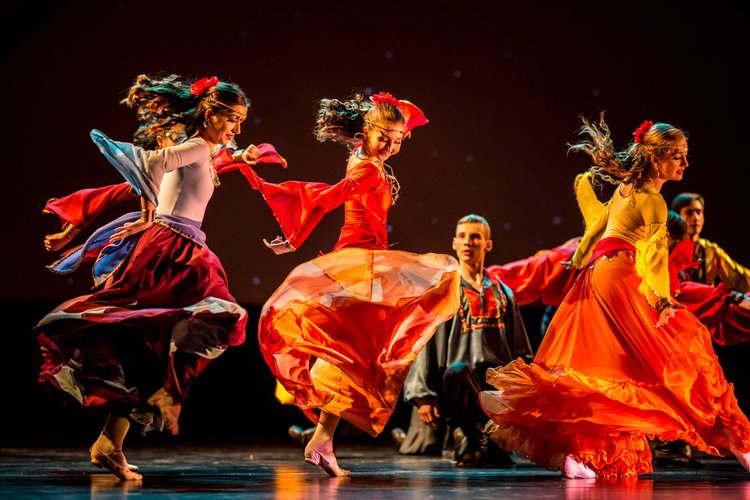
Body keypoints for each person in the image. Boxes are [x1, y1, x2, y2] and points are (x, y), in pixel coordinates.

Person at [479, 115, 750, 479]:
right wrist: (661, 299)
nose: (685, 162)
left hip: (595, 277)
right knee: (681, 353)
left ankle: (572, 451)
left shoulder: (625, 189)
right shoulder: (652, 200)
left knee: (601, 368)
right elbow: (656, 255)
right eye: (678, 155)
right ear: (656, 157)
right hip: (622, 276)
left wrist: (578, 259)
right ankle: (737, 440)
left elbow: (596, 228)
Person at [36, 74, 266, 481]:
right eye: (233, 119)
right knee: (218, 317)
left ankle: (111, 442)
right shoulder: (196, 146)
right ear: (209, 114)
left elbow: (171, 174)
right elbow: (151, 164)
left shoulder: (205, 150)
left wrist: (239, 158)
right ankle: (166, 396)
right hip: (173, 249)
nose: (237, 128)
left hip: (177, 243)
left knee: (154, 341)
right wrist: (150, 215)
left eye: (241, 121)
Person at [253, 91, 460, 476]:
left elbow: (393, 125)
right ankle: (320, 433)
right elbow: (328, 198)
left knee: (357, 352)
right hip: (360, 261)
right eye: (385, 138)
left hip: (368, 261)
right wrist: (294, 237)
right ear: (365, 132)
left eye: (398, 141)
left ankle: (322, 439)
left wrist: (392, 123)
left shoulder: (364, 157)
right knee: (440, 281)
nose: (391, 147)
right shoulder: (367, 169)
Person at [394, 214, 533, 467]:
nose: (468, 242)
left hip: (494, 382)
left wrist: (527, 384)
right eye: (462, 237)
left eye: (475, 237)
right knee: (459, 372)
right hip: (457, 384)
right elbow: (425, 341)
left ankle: (482, 445)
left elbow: (520, 348)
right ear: (454, 244)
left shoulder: (503, 293)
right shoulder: (443, 291)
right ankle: (480, 442)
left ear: (487, 245)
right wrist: (423, 396)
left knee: (507, 381)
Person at [670, 193, 750, 293]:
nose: (696, 218)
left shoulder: (710, 250)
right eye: (689, 213)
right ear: (678, 217)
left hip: (706, 301)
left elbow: (738, 277)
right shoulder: (669, 248)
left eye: (699, 212)